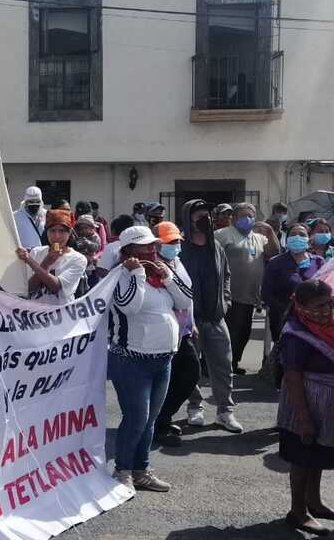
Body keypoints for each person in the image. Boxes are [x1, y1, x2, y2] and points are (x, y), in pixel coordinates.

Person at [106, 226, 193, 492]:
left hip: (163, 359)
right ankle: (122, 471)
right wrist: (137, 274)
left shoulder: (159, 273)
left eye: (153, 245)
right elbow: (128, 306)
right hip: (131, 361)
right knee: (136, 419)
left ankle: (141, 470)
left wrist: (167, 277)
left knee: (149, 420)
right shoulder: (119, 276)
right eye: (144, 246)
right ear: (128, 251)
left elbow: (185, 302)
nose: (152, 250)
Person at [277, 280, 334, 536]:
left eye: (329, 303)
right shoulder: (295, 335)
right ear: (300, 307)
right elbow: (292, 377)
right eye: (319, 306)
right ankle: (298, 512)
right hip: (304, 406)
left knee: (317, 457)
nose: (326, 310)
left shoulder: (326, 329)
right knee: (302, 459)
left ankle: (314, 501)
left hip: (326, 408)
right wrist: (304, 420)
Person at [180, 199, 243, 433]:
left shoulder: (215, 245)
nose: (204, 219)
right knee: (191, 368)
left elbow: (226, 274)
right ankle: (194, 407)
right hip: (190, 320)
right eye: (199, 216)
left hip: (216, 317)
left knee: (223, 366)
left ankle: (225, 411)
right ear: (188, 218)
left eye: (207, 215)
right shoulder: (181, 247)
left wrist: (226, 300)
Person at [152, 222, 200, 448]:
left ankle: (163, 417)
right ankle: (158, 424)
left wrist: (192, 322)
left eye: (177, 241)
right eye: (170, 242)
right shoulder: (153, 266)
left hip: (184, 331)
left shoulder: (177, 261)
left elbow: (187, 295)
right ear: (157, 244)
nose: (175, 245)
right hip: (165, 333)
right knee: (168, 380)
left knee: (190, 374)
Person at [215, 203, 269, 376]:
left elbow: (274, 252)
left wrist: (269, 230)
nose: (247, 219)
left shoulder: (259, 237)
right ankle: (221, 364)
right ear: (234, 218)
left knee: (244, 332)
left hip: (250, 295)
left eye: (250, 216)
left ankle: (234, 361)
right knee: (229, 331)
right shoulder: (222, 234)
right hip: (228, 294)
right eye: (243, 215)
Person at [262, 224, 326, 351]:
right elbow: (266, 293)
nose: (297, 237)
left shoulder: (319, 262)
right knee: (287, 354)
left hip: (312, 319)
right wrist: (285, 309)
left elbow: (325, 290)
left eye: (302, 234)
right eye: (293, 234)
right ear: (287, 239)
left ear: (309, 239)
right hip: (284, 320)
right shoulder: (275, 262)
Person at [16, 209, 87, 305]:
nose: (56, 236)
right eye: (52, 231)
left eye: (62, 231)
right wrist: (45, 262)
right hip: (35, 311)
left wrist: (39, 261)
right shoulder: (36, 252)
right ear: (47, 232)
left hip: (61, 312)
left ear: (69, 233)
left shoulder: (78, 259)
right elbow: (29, 288)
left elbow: (56, 287)